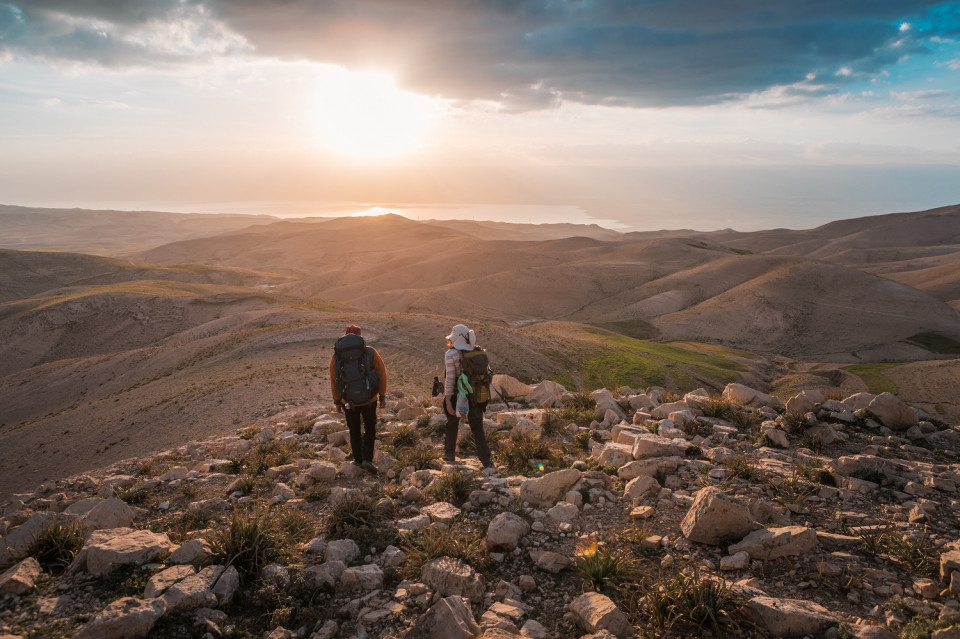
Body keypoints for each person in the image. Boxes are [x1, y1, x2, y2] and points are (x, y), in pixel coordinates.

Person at [329, 325, 387, 473]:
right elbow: (382, 375)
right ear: (360, 336)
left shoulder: (337, 357)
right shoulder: (370, 352)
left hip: (348, 401)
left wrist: (337, 401)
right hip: (369, 399)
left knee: (354, 429)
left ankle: (357, 460)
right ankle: (367, 459)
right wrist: (382, 397)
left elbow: (334, 379)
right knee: (370, 428)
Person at [443, 324, 493, 468]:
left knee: (452, 423)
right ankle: (487, 462)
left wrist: (448, 401)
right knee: (477, 428)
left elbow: (451, 379)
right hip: (477, 395)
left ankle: (450, 456)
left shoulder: (451, 354)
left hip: (458, 395)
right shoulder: (479, 352)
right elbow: (488, 374)